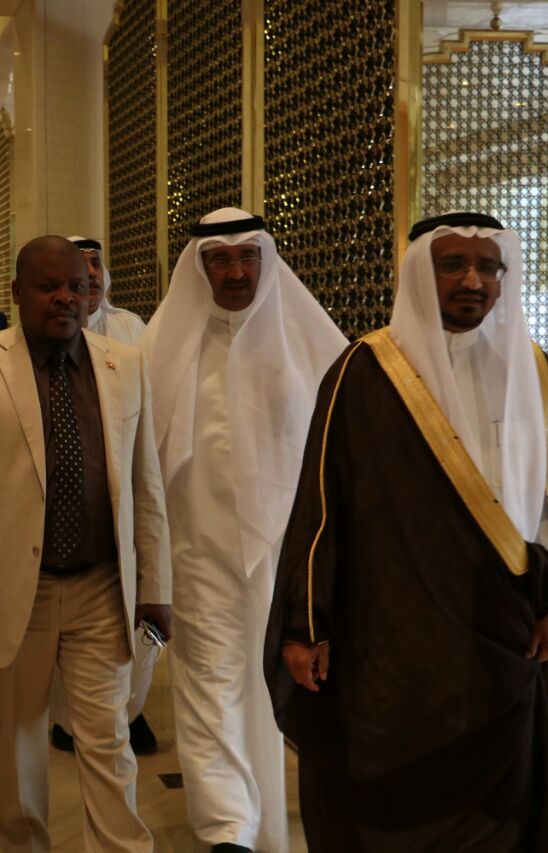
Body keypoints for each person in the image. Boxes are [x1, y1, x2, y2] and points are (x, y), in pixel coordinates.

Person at [266, 212, 548, 851]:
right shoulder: (366, 369)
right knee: (396, 799)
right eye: (452, 265)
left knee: (506, 804)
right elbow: (321, 505)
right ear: (418, 274)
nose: (473, 281)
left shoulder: (532, 370)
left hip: (504, 632)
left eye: (488, 266)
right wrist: (306, 624)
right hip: (393, 637)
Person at [0, 236, 172, 852]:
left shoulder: (125, 364)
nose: (66, 298)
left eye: (78, 287)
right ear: (16, 293)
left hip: (101, 587)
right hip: (13, 590)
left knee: (108, 738)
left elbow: (146, 484)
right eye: (49, 286)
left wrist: (156, 586)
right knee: (19, 740)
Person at [141, 208, 346, 852]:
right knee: (210, 681)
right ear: (199, 269)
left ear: (265, 260)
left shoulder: (310, 342)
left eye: (247, 257)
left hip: (288, 557)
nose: (235, 272)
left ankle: (287, 814)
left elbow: (342, 450)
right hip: (196, 552)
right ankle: (228, 827)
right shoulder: (163, 348)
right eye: (220, 260)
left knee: (282, 682)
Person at [50, 237, 154, 756]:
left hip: (128, 500)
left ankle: (129, 711)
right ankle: (67, 719)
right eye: (78, 267)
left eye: (95, 265)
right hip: (66, 517)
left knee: (131, 621)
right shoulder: (39, 336)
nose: (89, 275)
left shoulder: (131, 328)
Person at [69, 236, 146, 344]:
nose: (92, 272)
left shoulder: (131, 326)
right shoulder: (50, 330)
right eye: (81, 265)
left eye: (96, 264)